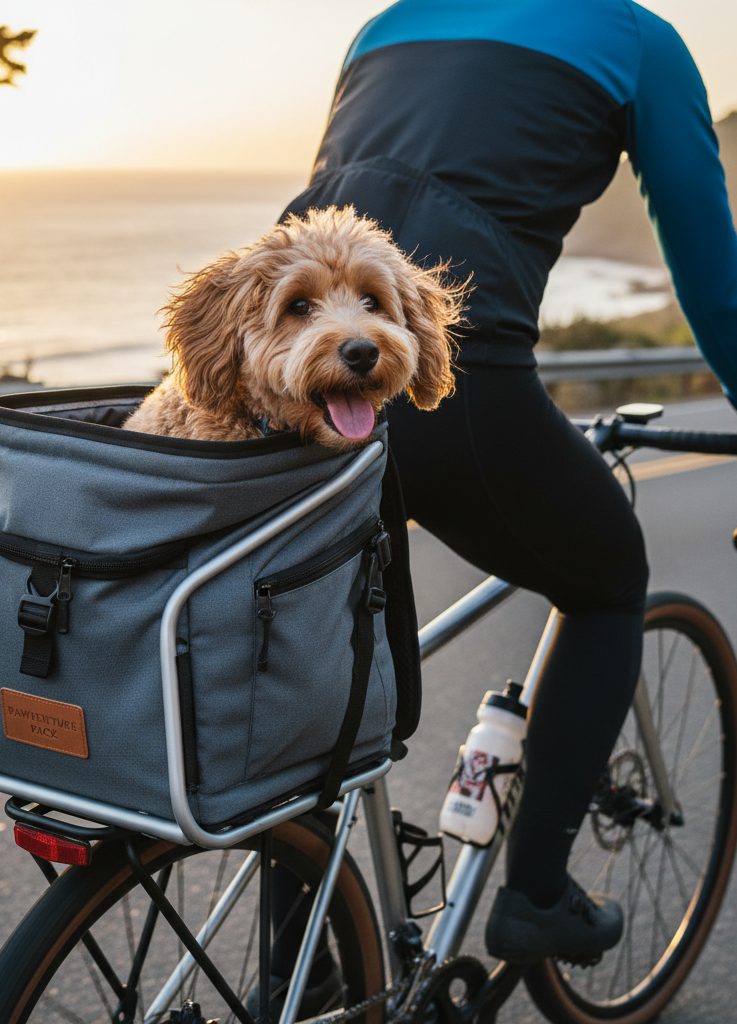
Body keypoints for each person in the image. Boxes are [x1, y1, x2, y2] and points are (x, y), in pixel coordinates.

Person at [274, 0, 737, 972]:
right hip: (447, 378)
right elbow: (715, 282)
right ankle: (536, 895)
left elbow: (331, 228)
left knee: (329, 662)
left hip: (292, 378)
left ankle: (297, 969)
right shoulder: (637, 42)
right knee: (608, 577)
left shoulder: (385, 25)